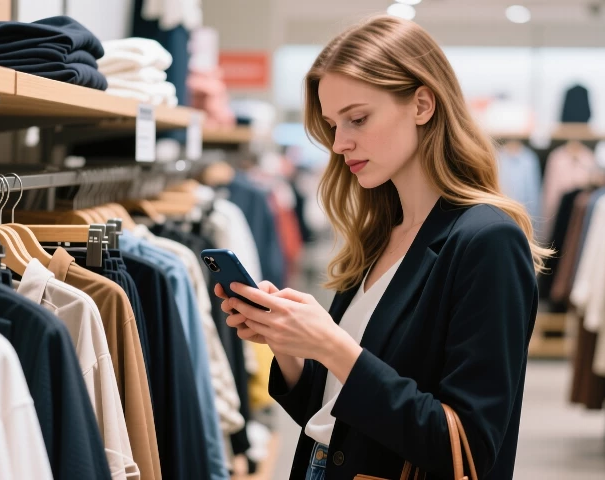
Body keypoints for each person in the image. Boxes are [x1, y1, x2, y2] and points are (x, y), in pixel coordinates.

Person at [214, 15, 551, 480]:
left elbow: (470, 449)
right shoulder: (379, 235)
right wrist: (289, 347)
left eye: (357, 118)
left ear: (422, 104)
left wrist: (332, 346)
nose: (339, 142)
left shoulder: (487, 240)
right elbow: (339, 416)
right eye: (333, 124)